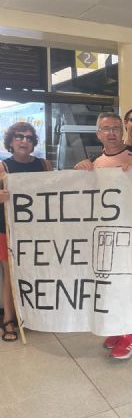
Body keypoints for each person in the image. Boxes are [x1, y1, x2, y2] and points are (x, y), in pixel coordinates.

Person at [74, 112, 132, 359]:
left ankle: (130, 336)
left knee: (127, 282)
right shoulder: (94, 161)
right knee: (110, 283)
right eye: (105, 129)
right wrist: (79, 171)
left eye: (115, 128)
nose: (111, 133)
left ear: (122, 131)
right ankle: (119, 328)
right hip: (106, 236)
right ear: (98, 134)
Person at [0, 122, 53, 342]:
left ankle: (34, 315)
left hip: (35, 230)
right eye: (20, 137)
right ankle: (9, 319)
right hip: (7, 229)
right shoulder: (3, 166)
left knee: (36, 273)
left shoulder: (44, 164)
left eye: (29, 138)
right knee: (10, 275)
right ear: (11, 141)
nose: (25, 141)